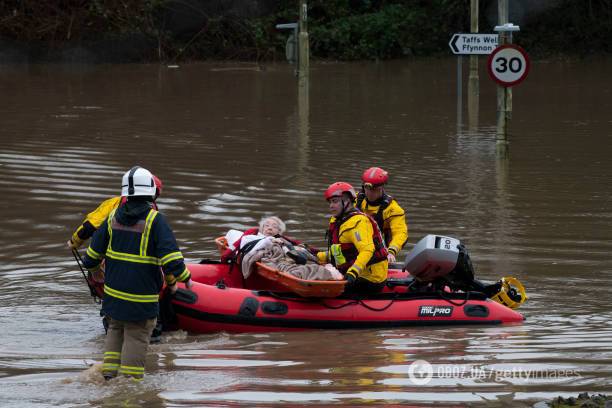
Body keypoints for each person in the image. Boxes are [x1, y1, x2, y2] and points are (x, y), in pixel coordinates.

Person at [82, 166, 191, 382]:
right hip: (141, 299)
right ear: (151, 191)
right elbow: (171, 259)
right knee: (136, 336)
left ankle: (109, 377)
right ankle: (129, 388)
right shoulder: (155, 220)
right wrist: (185, 277)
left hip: (113, 296)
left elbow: (92, 255)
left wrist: (95, 271)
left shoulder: (113, 216)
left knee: (115, 330)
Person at [317, 182, 389, 295]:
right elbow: (343, 250)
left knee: (322, 288)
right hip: (358, 273)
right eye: (330, 202)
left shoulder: (358, 223)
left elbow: (367, 250)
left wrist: (353, 272)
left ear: (347, 202)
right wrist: (318, 256)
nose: (331, 206)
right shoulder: (341, 221)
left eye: (335, 201)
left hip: (370, 279)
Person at [67, 175, 163, 249]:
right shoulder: (154, 214)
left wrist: (74, 242)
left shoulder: (113, 204)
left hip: (111, 256)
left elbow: (89, 226)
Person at [355, 167, 408, 263]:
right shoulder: (355, 200)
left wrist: (391, 251)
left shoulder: (393, 209)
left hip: (376, 247)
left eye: (375, 189)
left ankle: (385, 257)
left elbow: (400, 233)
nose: (370, 193)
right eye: (367, 188)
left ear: (382, 187)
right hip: (355, 242)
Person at [221, 216, 304, 262]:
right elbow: (237, 244)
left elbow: (296, 242)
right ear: (262, 228)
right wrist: (224, 258)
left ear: (279, 231)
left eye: (274, 227)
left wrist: (316, 251)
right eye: (267, 225)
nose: (270, 228)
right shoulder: (252, 233)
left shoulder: (280, 238)